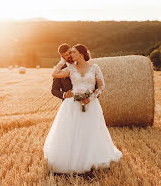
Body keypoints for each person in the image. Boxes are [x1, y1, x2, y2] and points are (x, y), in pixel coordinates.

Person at [43, 44, 122, 174]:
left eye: (73, 52)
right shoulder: (70, 68)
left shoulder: (95, 67)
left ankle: (91, 159)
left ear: (81, 53)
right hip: (72, 105)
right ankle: (73, 161)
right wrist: (62, 61)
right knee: (73, 133)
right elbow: (54, 73)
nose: (70, 55)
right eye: (69, 53)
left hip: (91, 104)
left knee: (90, 132)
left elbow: (101, 86)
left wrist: (90, 98)